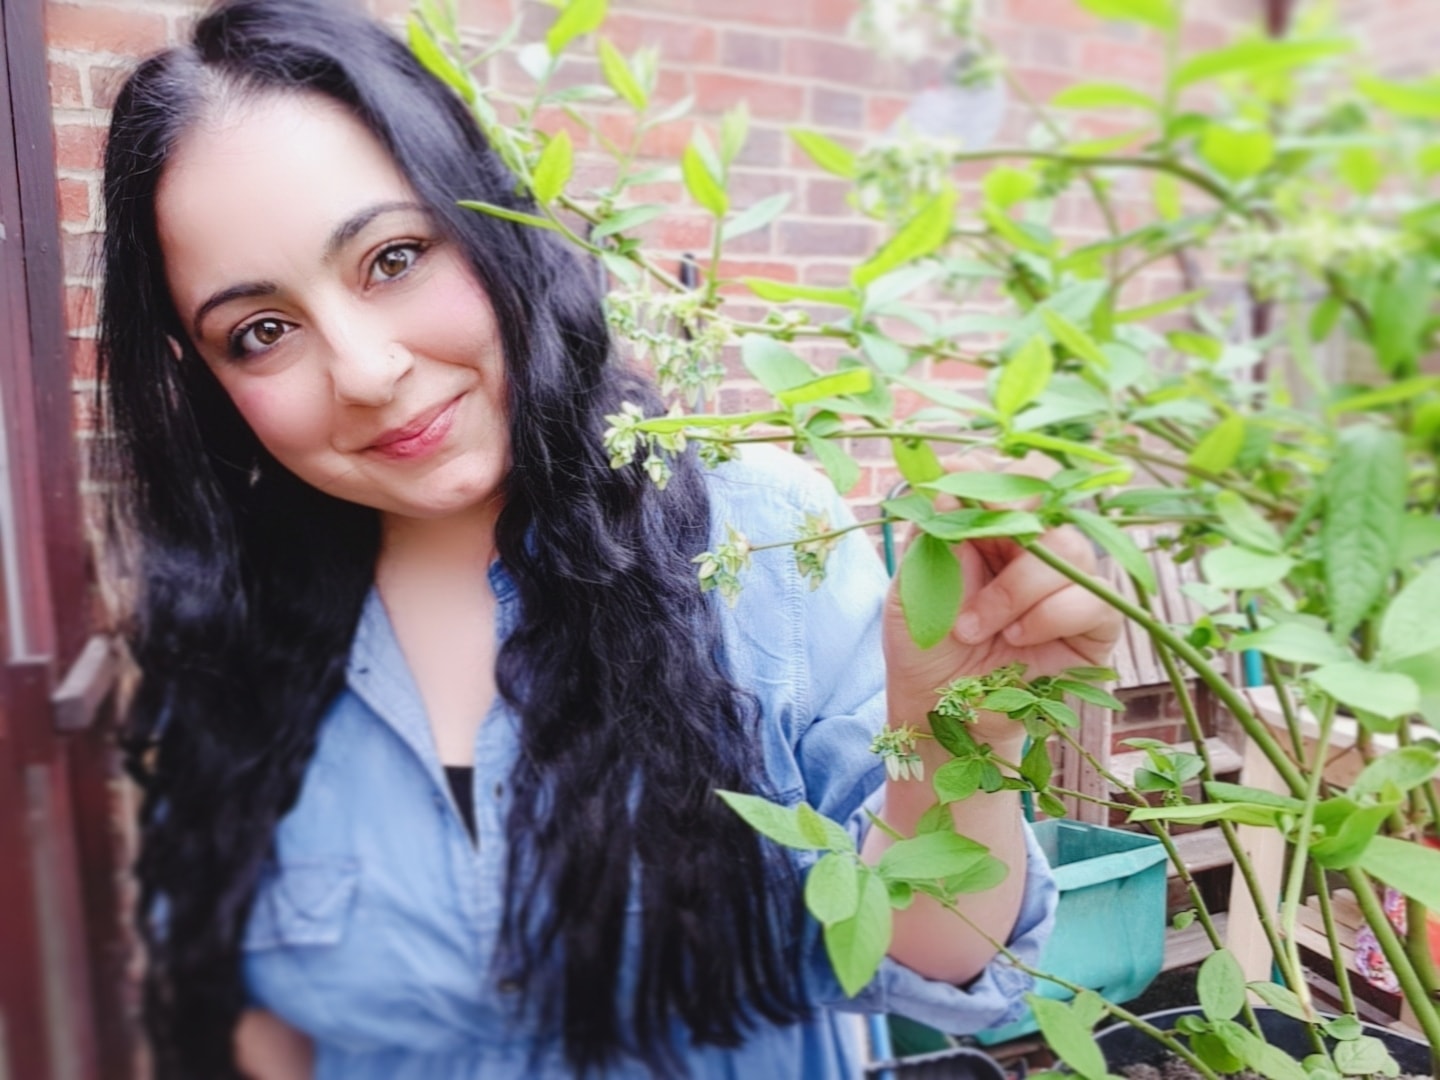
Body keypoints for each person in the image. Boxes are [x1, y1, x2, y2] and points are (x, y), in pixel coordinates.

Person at [97, 1, 1121, 1076]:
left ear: (492, 228)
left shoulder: (765, 542)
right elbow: (255, 1013)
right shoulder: (226, 627)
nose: (363, 370)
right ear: (206, 378)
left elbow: (932, 961)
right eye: (261, 331)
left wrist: (956, 738)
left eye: (393, 258)